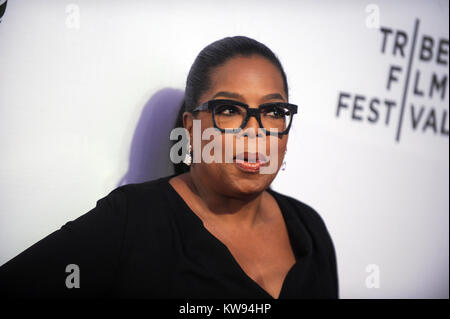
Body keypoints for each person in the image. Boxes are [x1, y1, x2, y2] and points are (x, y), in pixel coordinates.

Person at [0, 36, 338, 299]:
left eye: (273, 112)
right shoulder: (133, 221)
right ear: (190, 127)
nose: (255, 131)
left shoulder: (310, 230)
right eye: (230, 109)